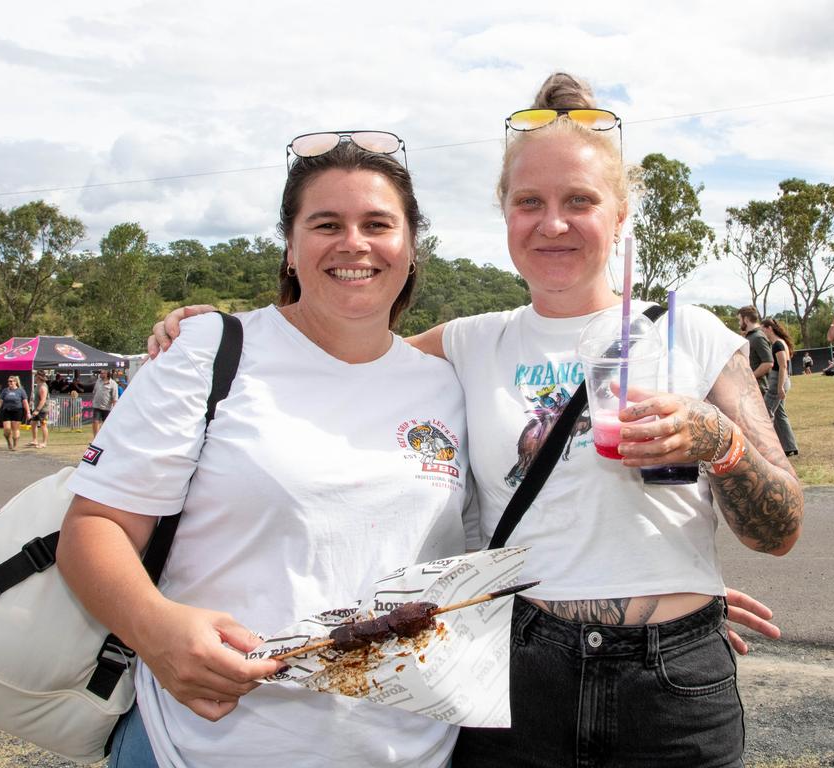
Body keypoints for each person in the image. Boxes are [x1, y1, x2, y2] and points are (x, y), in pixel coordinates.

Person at [151, 114, 792, 764]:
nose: (553, 223)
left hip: (670, 685)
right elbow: (338, 352)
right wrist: (220, 332)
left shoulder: (695, 334)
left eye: (580, 201)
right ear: (505, 216)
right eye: (529, 203)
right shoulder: (467, 342)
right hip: (513, 672)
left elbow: (781, 529)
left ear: (620, 214)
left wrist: (720, 443)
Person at [58, 134, 471, 768]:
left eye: (377, 224)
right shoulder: (211, 352)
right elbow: (96, 526)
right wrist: (153, 628)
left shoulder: (448, 385)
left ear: (411, 248)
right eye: (325, 223)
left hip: (407, 750)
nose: (353, 243)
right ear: (290, 244)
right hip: (203, 746)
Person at [761, 318, 799, 457]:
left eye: (763, 329)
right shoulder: (780, 343)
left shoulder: (777, 344)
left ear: (769, 328)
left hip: (778, 380)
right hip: (781, 380)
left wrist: (780, 387)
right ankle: (789, 446)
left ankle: (769, 447)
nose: (762, 332)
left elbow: (782, 366)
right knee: (779, 414)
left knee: (766, 412)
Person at [737, 305, 773, 395]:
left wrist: (750, 377)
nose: (739, 323)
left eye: (739, 320)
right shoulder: (750, 336)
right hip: (752, 388)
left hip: (760, 389)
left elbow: (768, 363)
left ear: (746, 319)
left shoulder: (758, 337)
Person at [0, 375, 31, 450]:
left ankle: (15, 444)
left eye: (11, 381)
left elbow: (25, 402)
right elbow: (0, 401)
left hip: (17, 411)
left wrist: (28, 412)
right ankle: (9, 442)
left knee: (15, 429)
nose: (9, 383)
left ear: (15, 382)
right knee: (6, 430)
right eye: (8, 381)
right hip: (7, 411)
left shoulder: (20, 391)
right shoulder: (5, 390)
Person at [89, 369, 118, 437]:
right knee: (95, 422)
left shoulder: (113, 384)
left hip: (107, 408)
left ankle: (106, 438)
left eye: (102, 373)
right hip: (97, 406)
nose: (101, 374)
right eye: (101, 373)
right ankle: (95, 439)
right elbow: (95, 391)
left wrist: (114, 408)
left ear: (107, 374)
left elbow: (115, 398)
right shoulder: (98, 381)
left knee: (106, 425)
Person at [28, 371, 50, 448]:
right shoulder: (38, 385)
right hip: (36, 408)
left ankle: (44, 443)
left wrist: (37, 410)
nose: (34, 377)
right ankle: (34, 440)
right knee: (33, 423)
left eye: (35, 375)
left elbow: (43, 400)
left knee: (43, 425)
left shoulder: (43, 386)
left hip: (42, 409)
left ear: (39, 377)